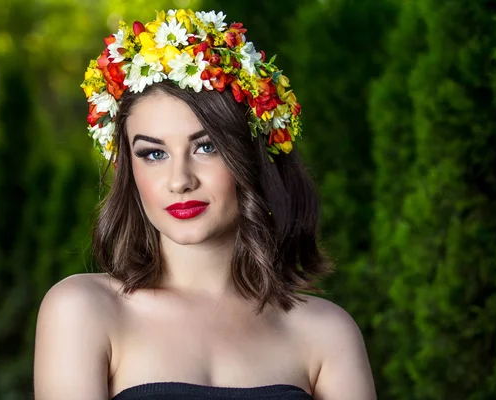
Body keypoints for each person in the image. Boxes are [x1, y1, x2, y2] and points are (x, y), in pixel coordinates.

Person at [33, 9, 376, 400]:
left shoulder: (326, 333)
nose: (180, 180)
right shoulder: (82, 311)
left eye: (206, 147)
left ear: (250, 155)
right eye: (153, 154)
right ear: (129, 170)